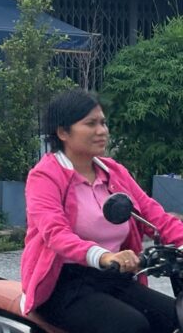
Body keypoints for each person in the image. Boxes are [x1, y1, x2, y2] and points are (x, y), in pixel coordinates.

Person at [20, 88, 183, 333]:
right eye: (91, 124)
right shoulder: (45, 176)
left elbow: (154, 215)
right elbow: (55, 234)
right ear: (63, 132)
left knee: (175, 318)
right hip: (62, 284)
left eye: (103, 123)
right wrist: (105, 256)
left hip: (111, 279)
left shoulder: (114, 171)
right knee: (131, 326)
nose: (102, 131)